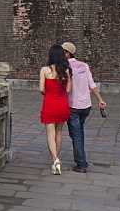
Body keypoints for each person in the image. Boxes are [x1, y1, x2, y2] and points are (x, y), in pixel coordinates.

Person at [62, 42, 107, 173]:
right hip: (86, 105)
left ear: (67, 53)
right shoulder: (84, 65)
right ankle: (81, 160)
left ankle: (81, 164)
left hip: (72, 105)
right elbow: (91, 84)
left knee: (76, 134)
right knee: (79, 131)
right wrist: (100, 99)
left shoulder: (64, 67)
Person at [39, 43, 72, 175]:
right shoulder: (67, 71)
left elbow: (42, 89)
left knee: (50, 134)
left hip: (50, 103)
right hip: (63, 104)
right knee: (59, 133)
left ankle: (55, 160)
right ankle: (55, 160)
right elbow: (68, 90)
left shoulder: (45, 70)